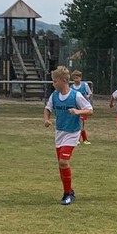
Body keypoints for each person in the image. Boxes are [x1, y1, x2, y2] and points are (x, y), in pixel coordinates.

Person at [44, 66, 94, 205]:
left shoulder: (75, 95)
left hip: (72, 133)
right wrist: (46, 119)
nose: (53, 84)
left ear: (64, 81)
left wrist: (78, 112)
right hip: (59, 132)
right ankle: (69, 190)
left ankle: (67, 194)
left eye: (55, 81)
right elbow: (47, 109)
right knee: (61, 165)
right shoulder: (54, 95)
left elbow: (90, 110)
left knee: (63, 162)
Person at [70, 70, 93, 144]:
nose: (75, 80)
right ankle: (79, 139)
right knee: (77, 123)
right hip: (76, 107)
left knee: (81, 123)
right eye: (74, 78)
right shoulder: (71, 87)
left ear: (80, 78)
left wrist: (87, 97)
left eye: (77, 78)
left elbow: (89, 93)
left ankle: (82, 139)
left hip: (83, 108)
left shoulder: (84, 85)